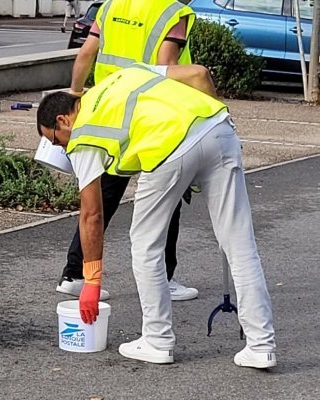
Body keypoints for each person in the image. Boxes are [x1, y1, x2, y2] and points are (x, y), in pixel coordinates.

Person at [36, 63, 276, 368]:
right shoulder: (125, 74)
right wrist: (207, 146)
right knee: (240, 245)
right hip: (218, 128)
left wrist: (92, 282)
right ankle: (261, 346)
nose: (60, 147)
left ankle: (158, 340)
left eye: (55, 140)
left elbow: (92, 216)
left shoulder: (83, 134)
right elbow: (199, 75)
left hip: (165, 150)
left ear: (63, 120)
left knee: (146, 244)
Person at [57, 0, 199, 302]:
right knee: (167, 194)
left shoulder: (109, 7)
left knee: (102, 196)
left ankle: (74, 274)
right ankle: (164, 277)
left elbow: (86, 53)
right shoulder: (171, 12)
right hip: (149, 115)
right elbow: (166, 69)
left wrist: (75, 96)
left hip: (109, 112)